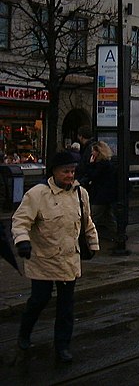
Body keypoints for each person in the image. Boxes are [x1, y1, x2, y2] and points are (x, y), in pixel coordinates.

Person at [11, 151, 99, 364]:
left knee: (66, 306)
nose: (70, 175)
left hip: (69, 259)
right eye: (65, 171)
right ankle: (25, 333)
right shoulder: (38, 194)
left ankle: (62, 346)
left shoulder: (80, 193)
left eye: (72, 171)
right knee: (39, 300)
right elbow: (20, 221)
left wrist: (93, 243)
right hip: (43, 258)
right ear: (54, 171)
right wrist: (22, 241)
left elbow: (87, 221)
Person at [85, 141, 118, 242]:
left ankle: (87, 238)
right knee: (108, 217)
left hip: (101, 195)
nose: (92, 154)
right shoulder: (107, 164)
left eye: (93, 151)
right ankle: (117, 235)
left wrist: (90, 164)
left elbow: (93, 175)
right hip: (106, 195)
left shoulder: (101, 165)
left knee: (92, 217)